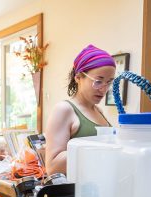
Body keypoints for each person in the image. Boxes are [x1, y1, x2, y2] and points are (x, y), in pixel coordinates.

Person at [44, 44, 116, 175]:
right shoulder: (64, 109)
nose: (104, 89)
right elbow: (53, 167)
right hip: (77, 192)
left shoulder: (99, 111)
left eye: (109, 82)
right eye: (98, 81)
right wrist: (99, 147)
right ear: (78, 77)